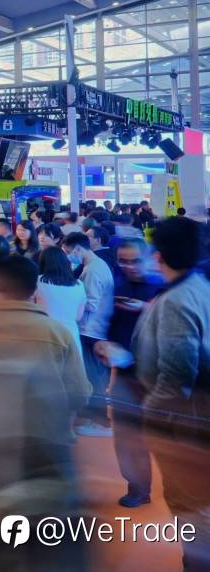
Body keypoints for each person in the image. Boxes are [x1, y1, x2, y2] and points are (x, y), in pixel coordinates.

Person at [0, 256, 90, 502]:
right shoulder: (57, 331)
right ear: (35, 289)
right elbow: (79, 389)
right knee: (45, 504)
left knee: (0, 501)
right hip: (47, 433)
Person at [131, 217, 210, 565]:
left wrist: (149, 416)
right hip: (197, 417)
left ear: (158, 255)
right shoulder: (199, 286)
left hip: (184, 424)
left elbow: (177, 376)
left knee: (191, 503)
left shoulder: (178, 299)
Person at [98, 239, 166, 508]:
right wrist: (103, 344)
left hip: (160, 374)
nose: (128, 266)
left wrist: (146, 309)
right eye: (123, 261)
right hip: (126, 371)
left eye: (135, 260)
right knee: (126, 434)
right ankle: (138, 487)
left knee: (167, 437)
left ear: (149, 259)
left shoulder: (164, 287)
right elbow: (108, 323)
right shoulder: (118, 284)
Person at [62, 232, 114, 436]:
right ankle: (96, 418)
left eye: (68, 252)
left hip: (90, 329)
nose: (68, 256)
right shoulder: (96, 265)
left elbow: (91, 304)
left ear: (78, 249)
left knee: (92, 377)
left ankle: (99, 421)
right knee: (96, 375)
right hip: (95, 328)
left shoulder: (92, 270)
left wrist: (72, 302)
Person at [32, 247, 87, 353]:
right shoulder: (79, 285)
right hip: (71, 337)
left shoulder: (37, 281)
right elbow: (78, 317)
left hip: (44, 336)